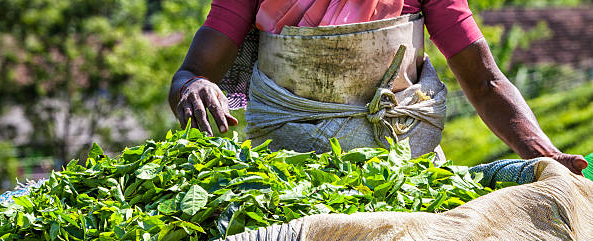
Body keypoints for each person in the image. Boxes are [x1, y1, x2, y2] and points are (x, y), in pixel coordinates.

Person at [169, 0, 588, 175]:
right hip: (284, 176)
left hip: (403, 171)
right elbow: (190, 74)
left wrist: (545, 157)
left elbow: (485, 80)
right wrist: (194, 86)